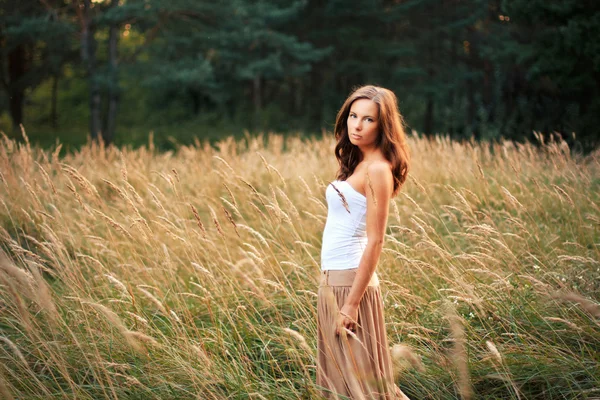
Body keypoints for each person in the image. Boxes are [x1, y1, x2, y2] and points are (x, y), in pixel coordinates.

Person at [316, 85, 411, 399]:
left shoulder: (378, 170)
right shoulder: (356, 163)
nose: (356, 125)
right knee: (341, 384)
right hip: (333, 281)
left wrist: (352, 304)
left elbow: (376, 241)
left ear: (382, 125)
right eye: (353, 116)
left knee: (364, 388)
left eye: (368, 120)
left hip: (351, 284)